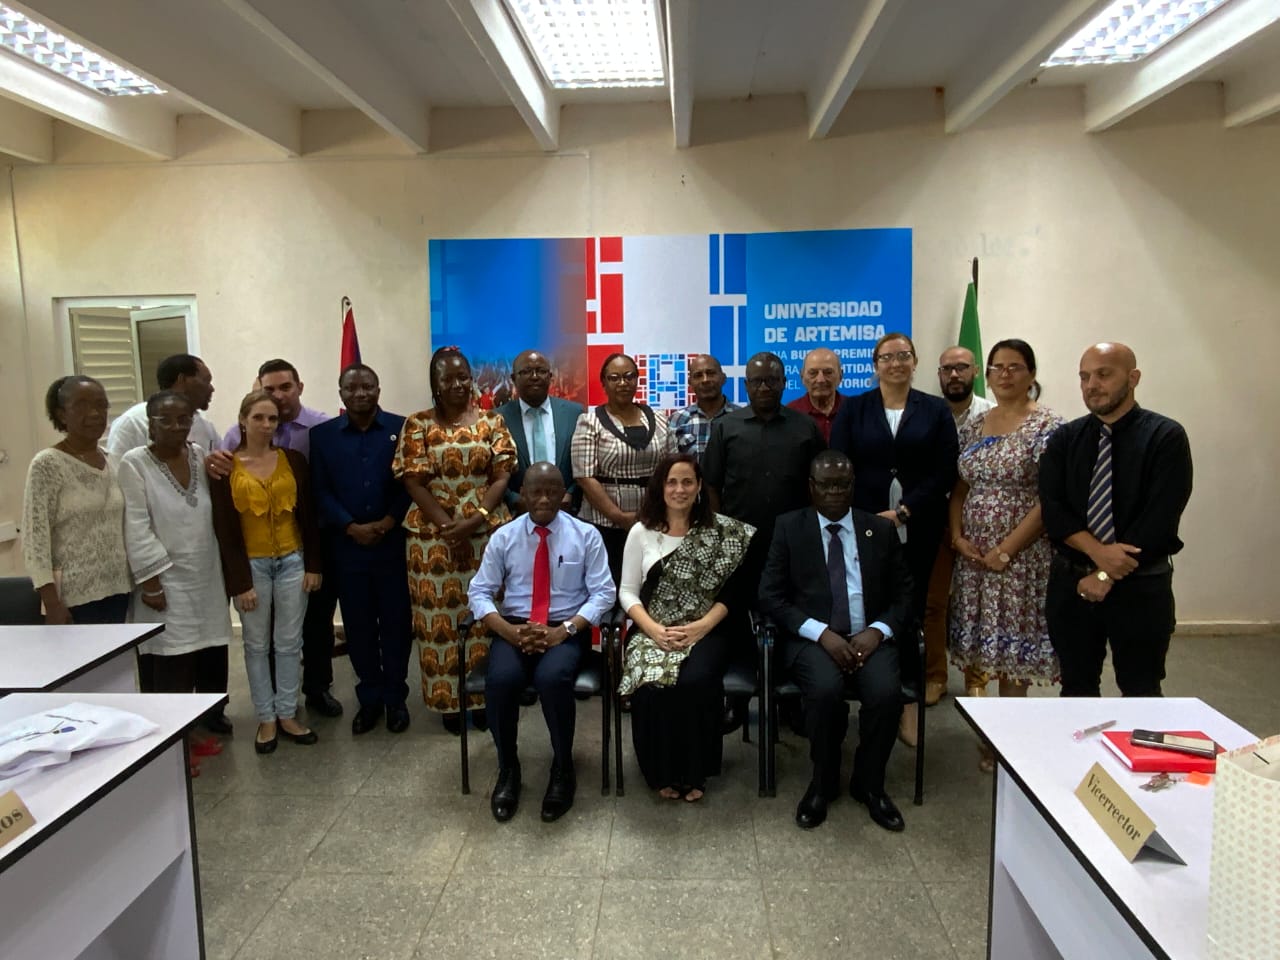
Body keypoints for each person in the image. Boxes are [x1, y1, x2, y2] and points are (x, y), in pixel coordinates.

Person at [760, 450, 913, 831]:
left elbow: (906, 594)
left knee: (884, 695)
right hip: (813, 640)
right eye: (825, 485)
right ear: (811, 487)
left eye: (842, 485)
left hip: (870, 637)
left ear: (853, 486)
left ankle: (869, 783)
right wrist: (820, 632)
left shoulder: (878, 530)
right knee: (825, 693)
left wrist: (877, 632)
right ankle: (822, 782)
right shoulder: (789, 527)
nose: (834, 493)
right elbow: (770, 595)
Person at [1039, 342, 1193, 697]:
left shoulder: (1165, 436)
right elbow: (1054, 509)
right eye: (1084, 376)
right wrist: (1097, 555)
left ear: (1133, 377)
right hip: (1072, 585)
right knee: (1076, 687)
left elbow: (1160, 516)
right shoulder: (1065, 439)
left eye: (1103, 374)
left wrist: (1106, 573)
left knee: (1141, 689)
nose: (1092, 384)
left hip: (1140, 586)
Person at [829, 332, 958, 747]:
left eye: (903, 355)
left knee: (913, 611)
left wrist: (904, 512)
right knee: (870, 608)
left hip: (918, 526)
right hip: (864, 528)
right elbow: (839, 467)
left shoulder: (935, 411)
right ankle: (871, 693)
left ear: (915, 361)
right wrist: (869, 519)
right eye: (887, 357)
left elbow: (944, 470)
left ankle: (909, 707)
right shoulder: (854, 410)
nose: (895, 363)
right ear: (875, 365)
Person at [468, 463, 615, 823]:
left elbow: (604, 593)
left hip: (564, 630)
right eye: (536, 491)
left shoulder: (585, 535)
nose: (545, 498)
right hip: (514, 628)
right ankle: (508, 769)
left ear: (564, 492)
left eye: (553, 490)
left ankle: (563, 768)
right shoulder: (505, 536)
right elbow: (479, 591)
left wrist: (563, 630)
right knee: (501, 681)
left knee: (552, 679)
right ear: (524, 494)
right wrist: (505, 630)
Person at [948, 341, 1064, 771]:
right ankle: (987, 732)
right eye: (997, 368)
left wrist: (1007, 549)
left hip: (1022, 556)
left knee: (1015, 649)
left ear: (1031, 374)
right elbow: (960, 487)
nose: (1005, 375)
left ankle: (1010, 737)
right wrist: (958, 536)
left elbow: (1050, 499)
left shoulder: (1049, 426)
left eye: (1015, 368)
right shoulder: (975, 425)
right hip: (974, 555)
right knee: (981, 641)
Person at [617, 454, 755, 801]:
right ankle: (660, 770)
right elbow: (627, 590)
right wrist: (651, 629)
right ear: (660, 487)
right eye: (671, 482)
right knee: (653, 684)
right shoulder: (641, 532)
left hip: (708, 629)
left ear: (699, 488)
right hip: (654, 626)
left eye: (687, 482)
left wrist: (700, 626)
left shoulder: (723, 532)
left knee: (695, 681)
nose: (679, 489)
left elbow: (736, 594)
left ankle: (695, 771)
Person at [393, 346, 516, 733]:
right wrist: (450, 526)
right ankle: (449, 704)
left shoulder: (492, 422)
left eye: (463, 376)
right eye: (447, 378)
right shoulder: (417, 424)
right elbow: (413, 479)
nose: (457, 384)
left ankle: (485, 698)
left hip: (487, 536)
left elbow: (501, 476)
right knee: (437, 623)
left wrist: (475, 520)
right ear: (435, 384)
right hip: (433, 541)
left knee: (486, 617)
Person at [702, 351, 824, 732]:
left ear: (785, 383)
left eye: (772, 380)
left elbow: (817, 488)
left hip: (793, 546)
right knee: (736, 620)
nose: (765, 387)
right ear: (745, 385)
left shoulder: (805, 428)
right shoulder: (727, 427)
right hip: (741, 544)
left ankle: (790, 701)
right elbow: (711, 484)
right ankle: (737, 701)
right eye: (756, 381)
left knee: (790, 621)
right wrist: (723, 532)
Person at [219, 359, 342, 717]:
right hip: (256, 554)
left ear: (299, 387)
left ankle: (316, 691)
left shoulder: (322, 427)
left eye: (284, 387)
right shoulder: (232, 440)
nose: (277, 397)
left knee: (314, 627)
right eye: (268, 390)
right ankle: (269, 706)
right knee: (263, 639)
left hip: (308, 543)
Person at [117, 391, 232, 773]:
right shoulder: (135, 464)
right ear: (150, 423)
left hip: (204, 572)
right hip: (164, 578)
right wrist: (150, 582)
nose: (177, 426)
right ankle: (170, 745)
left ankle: (190, 728)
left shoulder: (200, 455)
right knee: (171, 662)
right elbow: (135, 524)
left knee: (200, 654)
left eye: (184, 418)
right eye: (166, 419)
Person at [210, 390, 322, 754]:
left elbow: (308, 516)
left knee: (289, 643)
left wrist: (313, 564)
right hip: (252, 566)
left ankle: (288, 713)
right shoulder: (227, 466)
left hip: (293, 559)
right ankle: (266, 717)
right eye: (258, 417)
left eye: (272, 418)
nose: (266, 424)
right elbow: (225, 530)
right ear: (242, 420)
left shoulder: (292, 460)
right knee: (257, 645)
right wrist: (239, 582)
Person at [309, 364, 413, 736]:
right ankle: (369, 698)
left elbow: (412, 484)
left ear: (378, 389)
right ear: (340, 394)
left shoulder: (404, 429)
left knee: (397, 623)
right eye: (351, 388)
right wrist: (350, 526)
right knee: (359, 625)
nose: (360, 394)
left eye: (367, 386)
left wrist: (387, 522)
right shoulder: (322, 437)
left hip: (393, 543)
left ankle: (395, 697)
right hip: (347, 546)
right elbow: (319, 490)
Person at [22, 376, 131, 625]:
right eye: (82, 405)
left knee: (118, 664)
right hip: (73, 601)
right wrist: (52, 603)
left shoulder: (114, 461)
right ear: (61, 414)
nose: (94, 413)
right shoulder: (47, 464)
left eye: (101, 405)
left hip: (119, 591)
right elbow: (35, 540)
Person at [920, 346, 995, 706]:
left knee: (976, 605)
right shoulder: (928, 414)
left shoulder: (993, 416)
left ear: (975, 372)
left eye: (961, 368)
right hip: (936, 521)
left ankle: (976, 677)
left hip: (983, 525)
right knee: (934, 605)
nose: (954, 375)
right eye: (947, 369)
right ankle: (935, 675)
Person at [570, 352, 675, 584]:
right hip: (604, 523)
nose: (623, 383)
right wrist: (619, 517)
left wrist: (660, 511)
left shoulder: (658, 418)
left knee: (652, 583)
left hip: (654, 519)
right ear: (604, 383)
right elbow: (584, 475)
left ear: (637, 380)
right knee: (611, 585)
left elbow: (672, 468)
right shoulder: (590, 421)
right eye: (614, 377)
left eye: (629, 376)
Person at [495, 350, 585, 514]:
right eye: (526, 371)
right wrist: (514, 500)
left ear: (551, 377)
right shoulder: (497, 418)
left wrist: (571, 493)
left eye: (541, 371)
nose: (534, 376)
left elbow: (583, 463)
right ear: (514, 379)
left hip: (567, 512)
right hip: (517, 516)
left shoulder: (574, 413)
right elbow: (492, 470)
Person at [107, 354, 220, 457]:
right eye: (206, 381)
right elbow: (117, 470)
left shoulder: (206, 427)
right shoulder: (133, 422)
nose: (211, 388)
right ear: (182, 380)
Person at [669, 354, 739, 459]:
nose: (705, 380)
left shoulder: (741, 418)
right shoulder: (677, 420)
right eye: (698, 375)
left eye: (711, 373)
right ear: (690, 383)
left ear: (723, 378)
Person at [786, 347, 846, 443]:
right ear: (802, 377)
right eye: (813, 373)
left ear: (840, 376)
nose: (820, 379)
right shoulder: (789, 415)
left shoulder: (856, 411)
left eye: (828, 372)